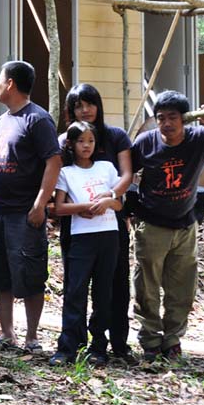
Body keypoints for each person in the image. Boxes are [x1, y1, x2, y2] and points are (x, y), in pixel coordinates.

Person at [0, 60, 61, 352]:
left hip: (22, 212)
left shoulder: (38, 119)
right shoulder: (1, 121)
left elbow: (53, 162)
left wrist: (40, 204)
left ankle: (32, 337)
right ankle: (7, 333)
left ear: (10, 83)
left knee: (30, 273)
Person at [130, 91, 204, 362]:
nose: (166, 124)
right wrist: (131, 211)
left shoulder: (201, 138)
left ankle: (173, 340)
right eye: (161, 118)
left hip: (185, 226)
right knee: (147, 287)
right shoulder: (145, 142)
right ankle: (151, 340)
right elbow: (127, 173)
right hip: (152, 225)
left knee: (182, 288)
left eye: (173, 117)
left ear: (185, 119)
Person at [60, 83, 134, 362]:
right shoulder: (64, 141)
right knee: (75, 286)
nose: (85, 110)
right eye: (78, 105)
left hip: (111, 224)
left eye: (90, 103)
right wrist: (79, 206)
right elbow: (57, 180)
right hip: (77, 228)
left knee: (114, 285)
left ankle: (115, 344)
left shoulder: (115, 137)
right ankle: (73, 344)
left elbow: (126, 175)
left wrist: (111, 196)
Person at [50, 121, 123, 367]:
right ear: (71, 144)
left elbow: (119, 204)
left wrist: (108, 201)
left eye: (90, 141)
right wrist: (84, 207)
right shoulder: (66, 172)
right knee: (75, 291)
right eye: (81, 141)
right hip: (81, 237)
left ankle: (98, 347)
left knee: (103, 292)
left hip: (108, 235)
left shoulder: (106, 168)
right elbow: (59, 207)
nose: (86, 146)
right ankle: (67, 347)